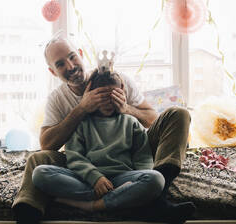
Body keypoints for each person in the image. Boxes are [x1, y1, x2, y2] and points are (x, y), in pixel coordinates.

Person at [12, 35, 195, 224]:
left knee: (179, 114)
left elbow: (152, 120)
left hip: (127, 160)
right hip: (86, 164)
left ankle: (156, 199)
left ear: (81, 54)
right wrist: (81, 109)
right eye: (60, 64)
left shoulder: (117, 80)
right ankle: (28, 210)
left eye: (72, 57)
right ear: (52, 72)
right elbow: (47, 144)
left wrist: (127, 109)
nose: (70, 66)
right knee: (37, 160)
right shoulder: (58, 99)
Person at [32, 70, 165, 213]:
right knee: (40, 173)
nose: (108, 101)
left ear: (122, 94)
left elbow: (143, 157)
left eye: (113, 96)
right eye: (101, 96)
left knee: (156, 179)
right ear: (90, 96)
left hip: (123, 178)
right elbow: (75, 157)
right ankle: (116, 197)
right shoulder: (81, 124)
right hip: (87, 180)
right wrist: (95, 178)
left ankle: (94, 205)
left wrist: (135, 183)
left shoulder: (131, 122)